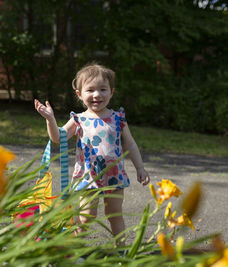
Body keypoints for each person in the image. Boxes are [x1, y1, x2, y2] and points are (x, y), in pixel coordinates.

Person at [34, 62, 150, 246]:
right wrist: (50, 119)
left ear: (112, 92)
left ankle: (122, 251)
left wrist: (140, 168)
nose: (97, 95)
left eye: (103, 89)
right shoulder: (78, 119)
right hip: (88, 177)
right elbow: (58, 138)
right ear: (80, 94)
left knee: (115, 215)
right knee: (85, 217)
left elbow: (130, 144)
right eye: (90, 90)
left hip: (114, 176)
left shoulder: (117, 118)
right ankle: (76, 250)